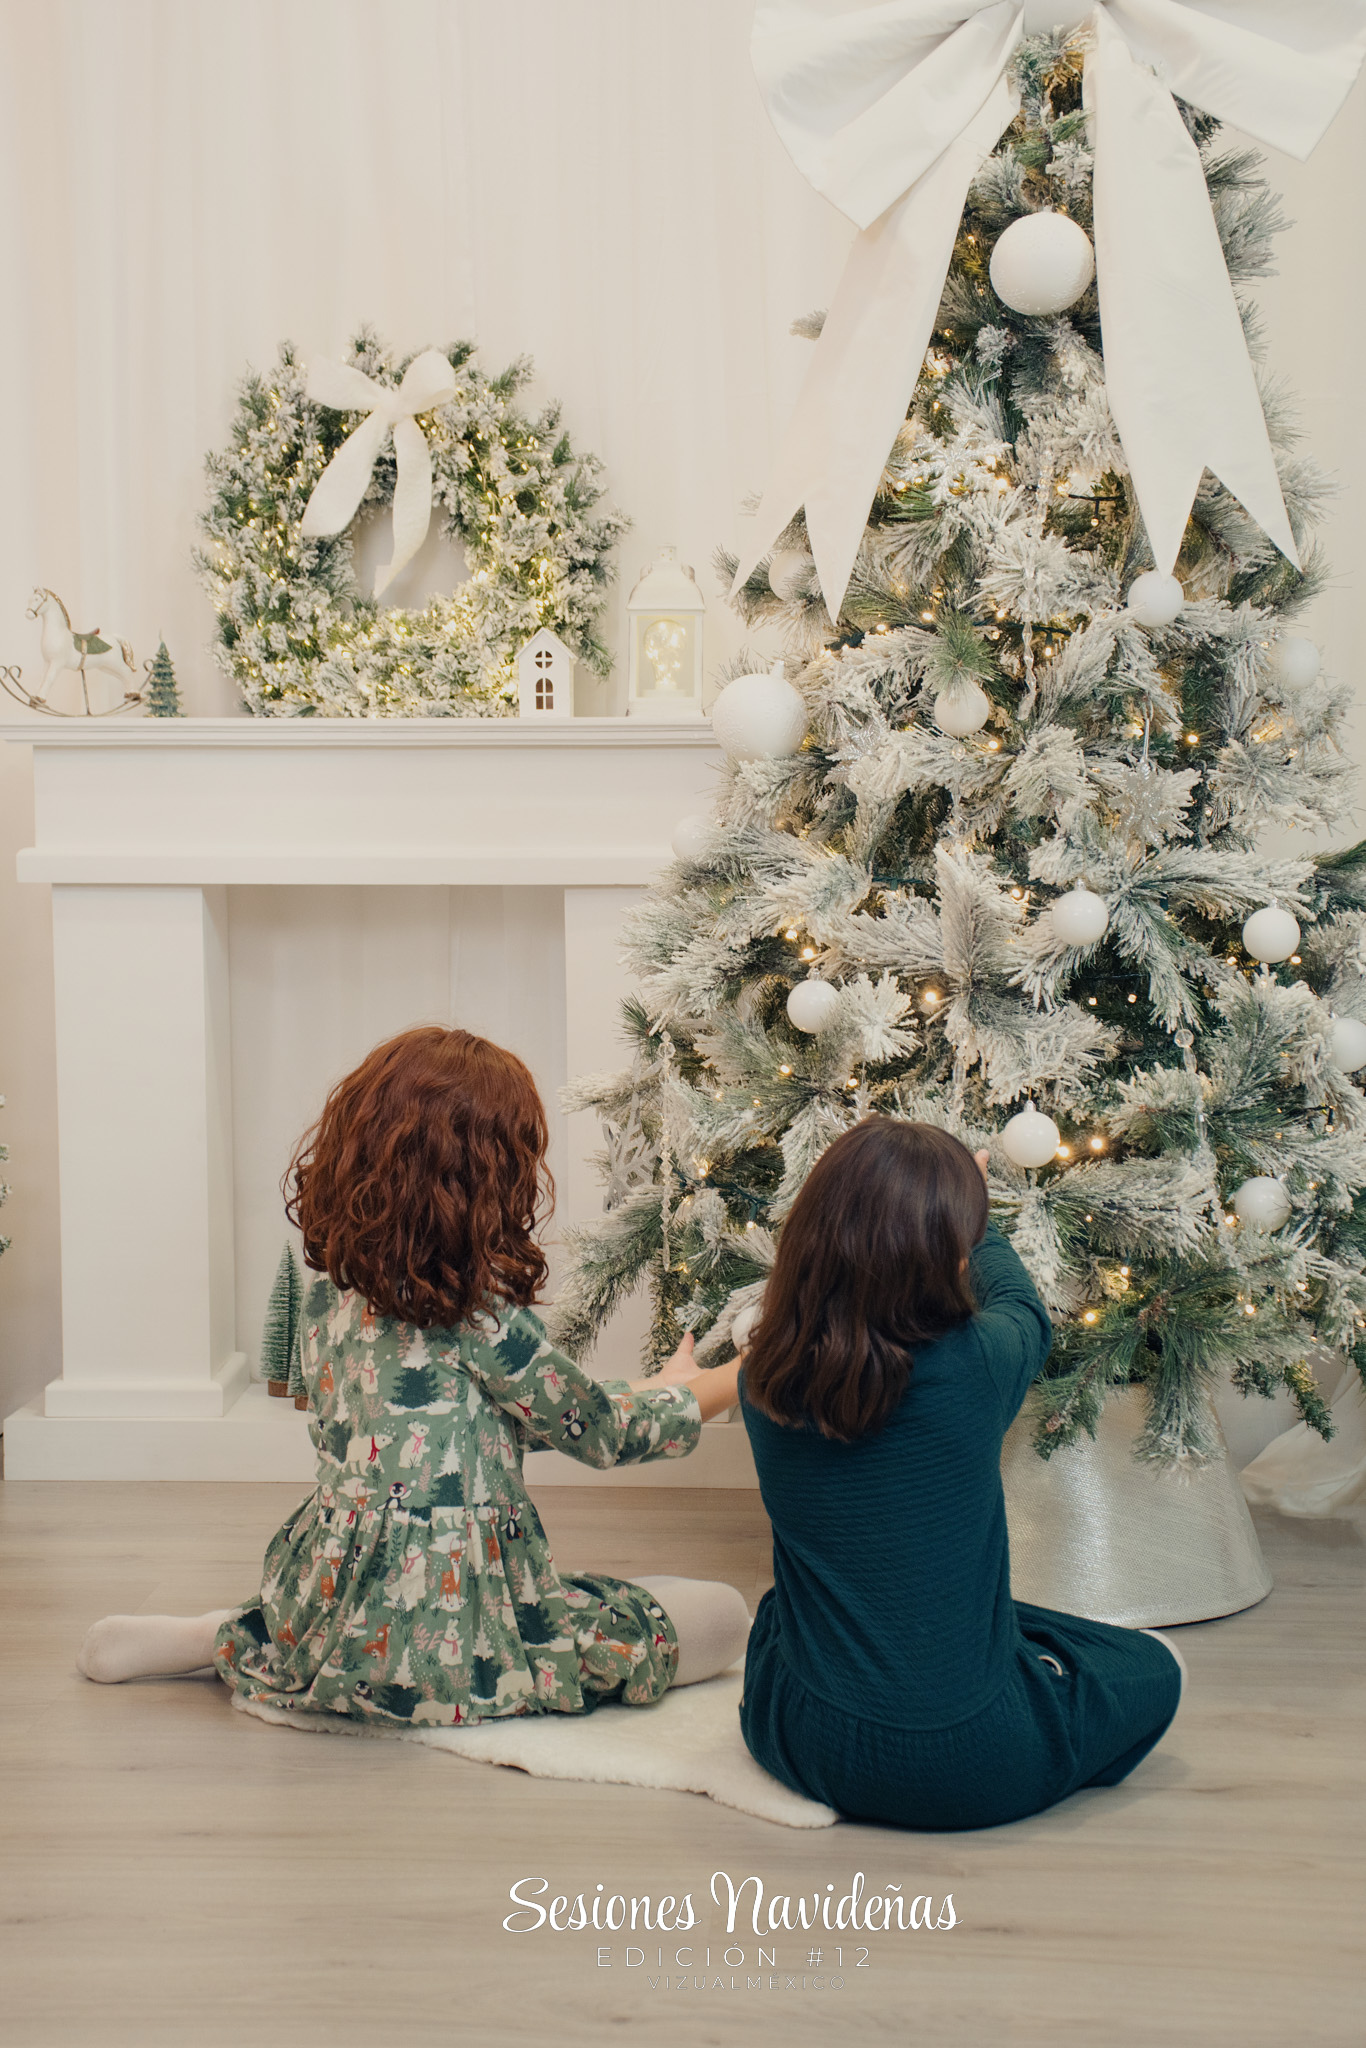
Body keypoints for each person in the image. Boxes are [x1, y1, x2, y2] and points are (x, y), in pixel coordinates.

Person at [78, 1027, 749, 1721]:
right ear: (487, 1180)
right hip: (459, 1637)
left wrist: (660, 1388)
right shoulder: (479, 1318)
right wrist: (734, 1379)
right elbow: (599, 1432)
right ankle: (257, 1636)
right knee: (721, 1616)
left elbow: (489, 1421)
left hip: (335, 1599)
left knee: (303, 1624)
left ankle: (228, 1634)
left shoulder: (328, 1303)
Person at [737, 1117, 1185, 1830]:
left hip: (797, 1738)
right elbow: (1026, 1310)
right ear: (944, 1249)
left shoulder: (764, 1377)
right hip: (973, 1764)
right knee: (1150, 1670)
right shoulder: (974, 1363)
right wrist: (981, 1212)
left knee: (781, 1613)